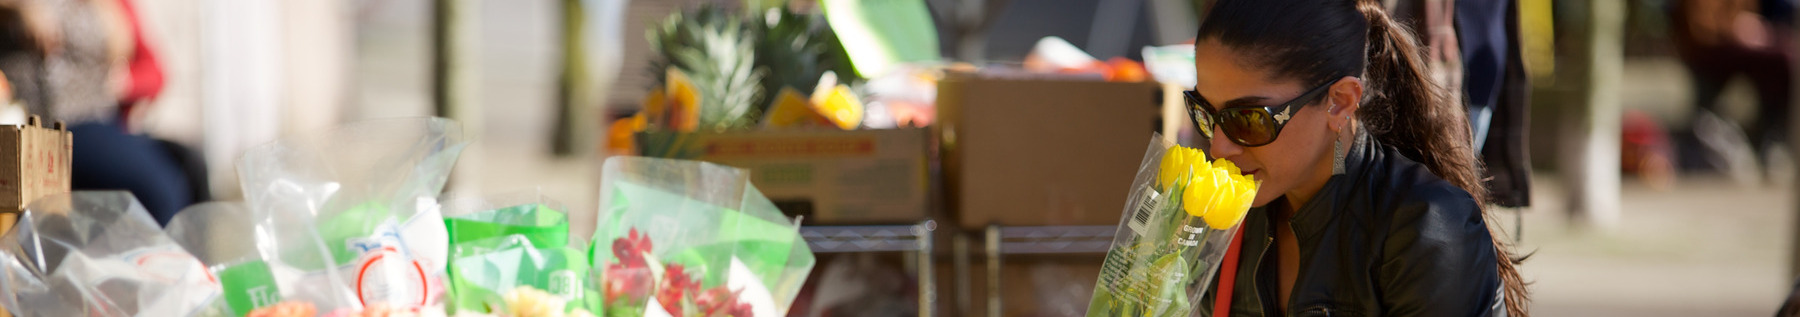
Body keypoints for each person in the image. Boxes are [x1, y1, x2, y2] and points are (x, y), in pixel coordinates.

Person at [1186, 0, 1527, 316]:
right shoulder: (1230, 219)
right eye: (1205, 113)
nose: (1219, 148)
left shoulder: (1428, 228)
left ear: (1340, 102)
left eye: (1248, 119)